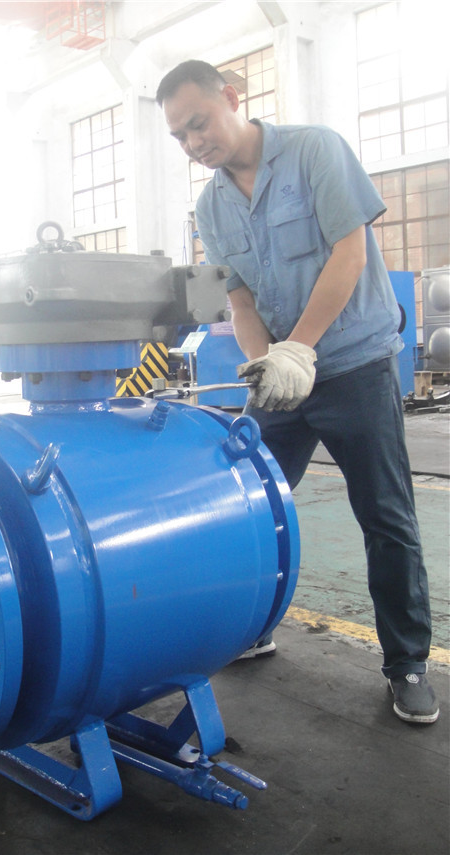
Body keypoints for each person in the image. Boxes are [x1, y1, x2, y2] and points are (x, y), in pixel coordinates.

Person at [156, 59, 439, 725]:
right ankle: (253, 626)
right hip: (283, 378)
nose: (194, 143)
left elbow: (350, 254)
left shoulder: (315, 152)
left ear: (232, 98)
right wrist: (265, 363)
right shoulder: (211, 206)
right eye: (179, 136)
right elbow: (241, 299)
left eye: (199, 123)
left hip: (354, 366)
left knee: (386, 518)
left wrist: (298, 348)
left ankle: (406, 662)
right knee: (249, 507)